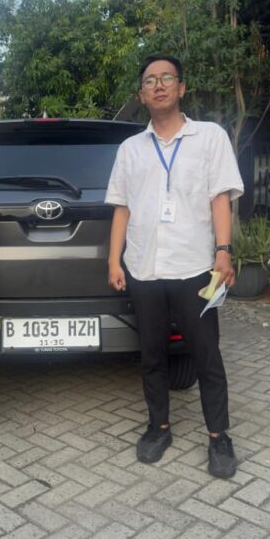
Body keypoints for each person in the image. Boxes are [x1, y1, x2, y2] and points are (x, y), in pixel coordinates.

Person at [106, 54, 244, 479]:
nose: (159, 85)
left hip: (195, 267)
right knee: (152, 355)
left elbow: (220, 197)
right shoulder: (130, 149)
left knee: (206, 355)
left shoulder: (209, 137)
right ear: (141, 94)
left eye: (167, 78)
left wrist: (223, 251)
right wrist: (113, 259)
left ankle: (218, 436)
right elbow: (122, 208)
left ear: (181, 88)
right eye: (150, 80)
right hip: (144, 267)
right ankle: (158, 427)